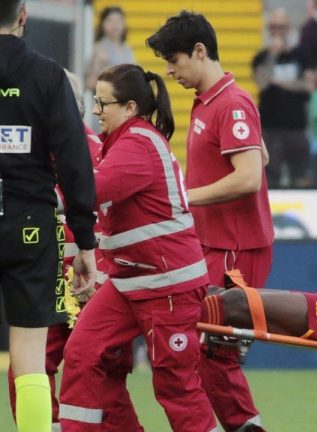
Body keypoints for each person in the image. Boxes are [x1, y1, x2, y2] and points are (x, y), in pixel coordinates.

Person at [56, 63, 216, 432]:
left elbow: (90, 192)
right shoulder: (122, 144)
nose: (95, 111)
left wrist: (29, 196)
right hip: (131, 280)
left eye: (102, 103)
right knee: (81, 354)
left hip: (166, 285)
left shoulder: (138, 144)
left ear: (129, 108)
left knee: (175, 384)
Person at [146, 11, 273, 431]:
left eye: (174, 60)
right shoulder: (210, 102)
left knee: (212, 352)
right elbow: (261, 157)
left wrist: (182, 197)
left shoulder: (232, 103)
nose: (169, 71)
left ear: (199, 51)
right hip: (213, 246)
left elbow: (250, 176)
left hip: (235, 251)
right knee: (201, 351)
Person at [6, 69, 140, 432]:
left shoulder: (99, 152)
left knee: (102, 377)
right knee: (31, 368)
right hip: (49, 282)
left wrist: (104, 272)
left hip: (90, 281)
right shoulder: (31, 152)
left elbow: (115, 219)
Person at [0, 2, 97, 430]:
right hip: (30, 224)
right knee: (30, 358)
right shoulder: (49, 76)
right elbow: (76, 162)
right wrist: (86, 239)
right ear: (22, 15)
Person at [252, 7, 313, 188]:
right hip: (270, 127)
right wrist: (272, 56)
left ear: (288, 28)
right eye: (274, 27)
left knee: (301, 176)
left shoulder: (301, 55)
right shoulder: (262, 57)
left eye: (281, 26)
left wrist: (279, 82)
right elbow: (261, 83)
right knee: (270, 177)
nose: (277, 31)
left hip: (296, 126)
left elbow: (309, 86)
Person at [85, 6, 135, 92]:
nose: (115, 24)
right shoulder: (100, 49)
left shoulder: (127, 49)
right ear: (102, 25)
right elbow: (90, 83)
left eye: (119, 20)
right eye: (110, 20)